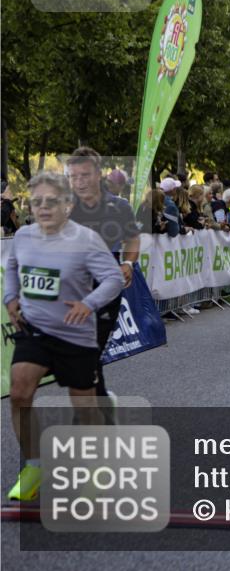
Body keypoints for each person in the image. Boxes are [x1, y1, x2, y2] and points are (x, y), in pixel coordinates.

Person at [5, 172, 125, 500]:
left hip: (76, 335)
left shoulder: (85, 240)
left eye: (51, 202)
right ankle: (34, 465)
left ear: (68, 205)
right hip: (35, 331)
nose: (43, 208)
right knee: (19, 392)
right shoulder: (24, 236)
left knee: (84, 405)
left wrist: (88, 304)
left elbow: (114, 279)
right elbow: (12, 267)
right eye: (37, 202)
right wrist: (10, 299)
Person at [65, 147, 141, 423]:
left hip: (106, 289)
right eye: (74, 176)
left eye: (85, 175)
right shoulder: (63, 205)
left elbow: (133, 240)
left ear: (98, 174)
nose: (80, 181)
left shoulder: (118, 207)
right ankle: (101, 402)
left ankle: (87, 416)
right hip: (72, 290)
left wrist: (128, 264)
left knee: (90, 351)